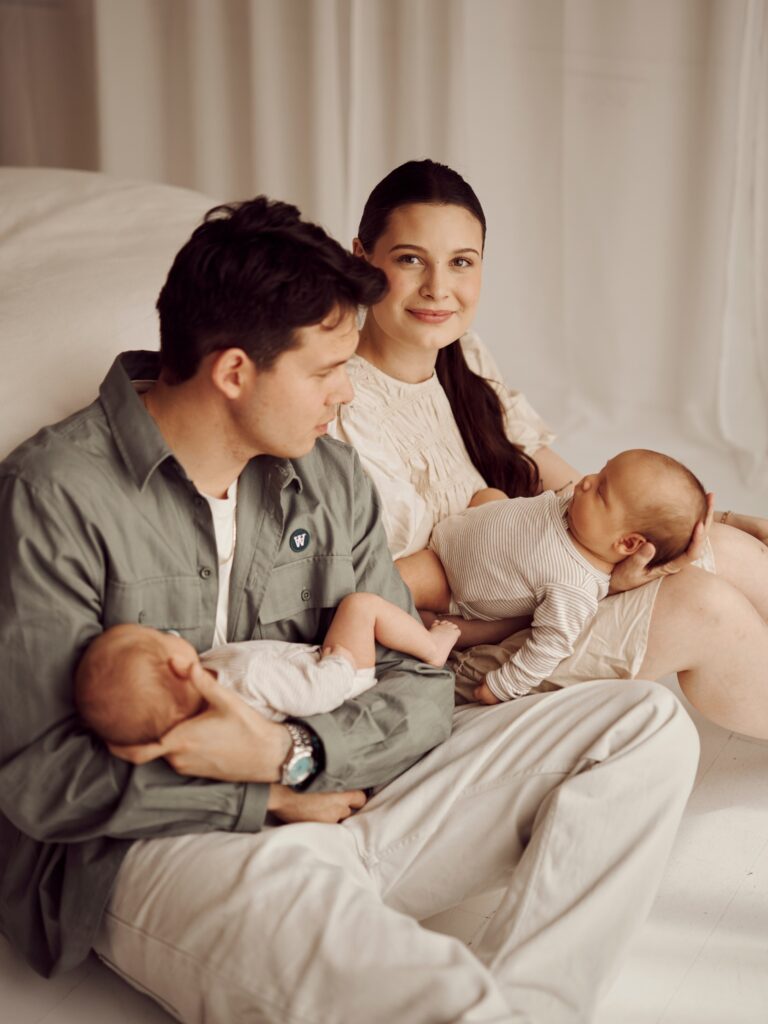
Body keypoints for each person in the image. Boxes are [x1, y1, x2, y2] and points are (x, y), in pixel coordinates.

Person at [0, 194, 700, 1024]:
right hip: (168, 839)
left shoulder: (327, 476)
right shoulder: (53, 495)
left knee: (646, 726)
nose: (347, 393)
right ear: (234, 372)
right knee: (436, 999)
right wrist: (261, 796)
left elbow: (417, 683)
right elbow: (37, 773)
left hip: (345, 787)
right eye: (327, 370)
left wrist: (295, 756)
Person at [332, 158, 768, 739]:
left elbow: (573, 490)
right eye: (411, 259)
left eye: (461, 262)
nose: (438, 288)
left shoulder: (462, 356)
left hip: (536, 592)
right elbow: (383, 594)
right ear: (361, 258)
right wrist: (598, 585)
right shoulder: (337, 402)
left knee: (721, 549)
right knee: (703, 609)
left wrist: (714, 521)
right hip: (456, 652)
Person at [399, 448, 707, 703]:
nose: (586, 481)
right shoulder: (576, 515)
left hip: (450, 575)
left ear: (627, 543)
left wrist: (503, 686)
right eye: (600, 471)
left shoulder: (574, 587)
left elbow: (548, 648)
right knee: (490, 494)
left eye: (601, 491)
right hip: (472, 531)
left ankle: (445, 628)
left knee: (400, 579)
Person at [75, 595, 460, 741]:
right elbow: (314, 695)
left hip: (313, 667)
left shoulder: (208, 705)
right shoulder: (246, 679)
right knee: (360, 607)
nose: (171, 633)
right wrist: (340, 662)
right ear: (177, 666)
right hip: (340, 681)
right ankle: (433, 648)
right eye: (162, 636)